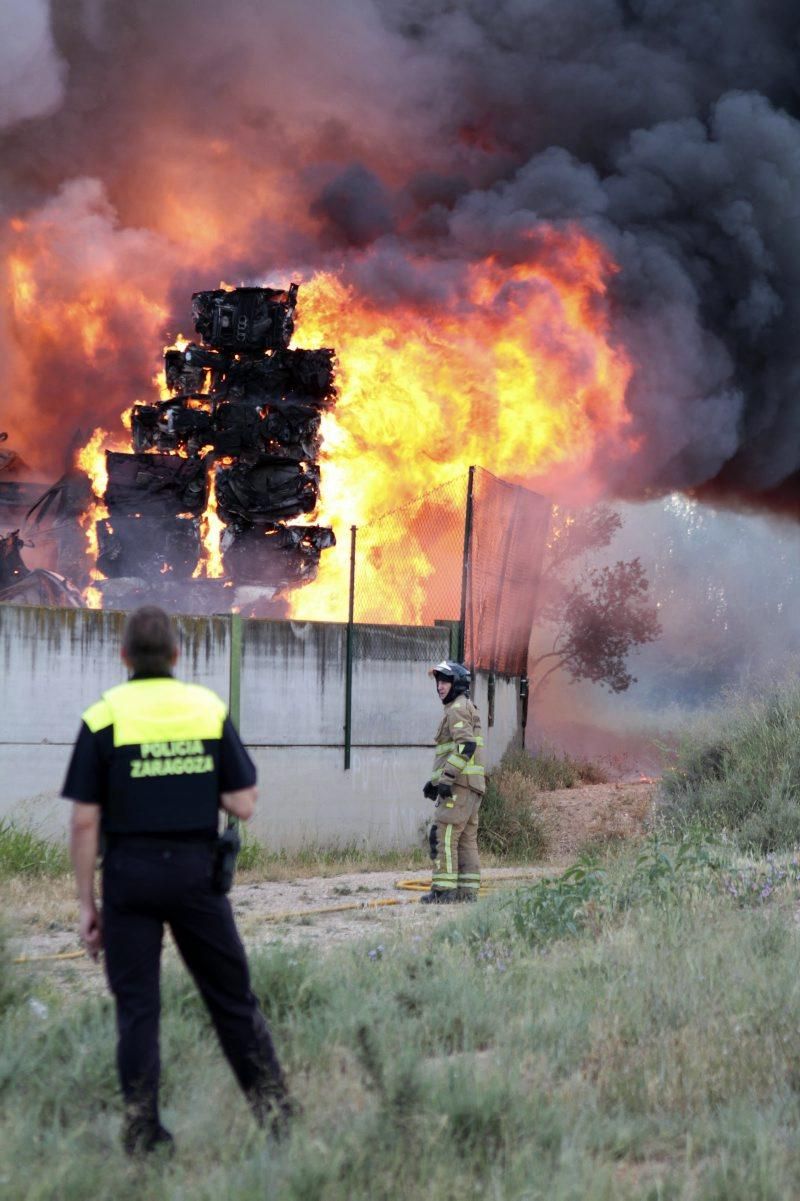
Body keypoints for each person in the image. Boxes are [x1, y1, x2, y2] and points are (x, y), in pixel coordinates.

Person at [62, 604, 292, 1156]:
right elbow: (243, 802)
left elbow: (84, 820)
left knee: (138, 1009)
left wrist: (86, 906)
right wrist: (190, 783)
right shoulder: (206, 709)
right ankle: (279, 1121)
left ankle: (144, 1138)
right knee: (232, 1000)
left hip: (128, 879)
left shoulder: (102, 718)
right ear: (176, 655)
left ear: (123, 658)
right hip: (195, 876)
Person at [420, 660, 486, 904]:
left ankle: (444, 892)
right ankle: (467, 894)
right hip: (472, 786)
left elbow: (465, 746)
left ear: (457, 683)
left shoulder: (456, 709)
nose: (439, 686)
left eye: (445, 681)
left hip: (460, 785)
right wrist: (435, 782)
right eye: (438, 681)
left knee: (444, 834)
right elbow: (456, 751)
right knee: (466, 839)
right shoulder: (465, 706)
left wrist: (447, 779)